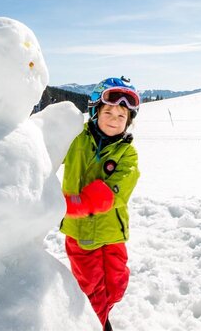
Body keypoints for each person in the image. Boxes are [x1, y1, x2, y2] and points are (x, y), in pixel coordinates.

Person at [60, 77, 141, 331]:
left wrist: (76, 203)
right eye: (108, 112)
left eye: (121, 115)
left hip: (112, 232)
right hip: (81, 233)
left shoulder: (127, 153)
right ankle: (96, 324)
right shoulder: (76, 140)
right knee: (91, 287)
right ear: (95, 112)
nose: (114, 119)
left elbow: (113, 192)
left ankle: (101, 313)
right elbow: (43, 152)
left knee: (116, 286)